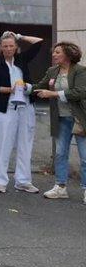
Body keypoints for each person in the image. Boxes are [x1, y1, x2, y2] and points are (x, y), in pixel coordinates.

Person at [0, 31, 44, 194]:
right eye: (5, 46)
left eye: (12, 45)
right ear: (1, 47)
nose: (9, 49)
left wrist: (19, 36)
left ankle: (23, 181)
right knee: (4, 143)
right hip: (6, 107)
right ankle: (0, 180)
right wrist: (7, 90)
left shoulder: (22, 58)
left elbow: (39, 42)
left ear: (16, 46)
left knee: (25, 143)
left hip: (25, 105)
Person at [33, 42, 86, 203]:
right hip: (60, 119)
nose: (54, 55)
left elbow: (80, 92)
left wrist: (54, 94)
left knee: (85, 157)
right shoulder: (52, 71)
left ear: (68, 55)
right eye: (53, 52)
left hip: (79, 119)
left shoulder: (80, 71)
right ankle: (60, 187)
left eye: (57, 52)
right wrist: (23, 87)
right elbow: (39, 86)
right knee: (60, 154)